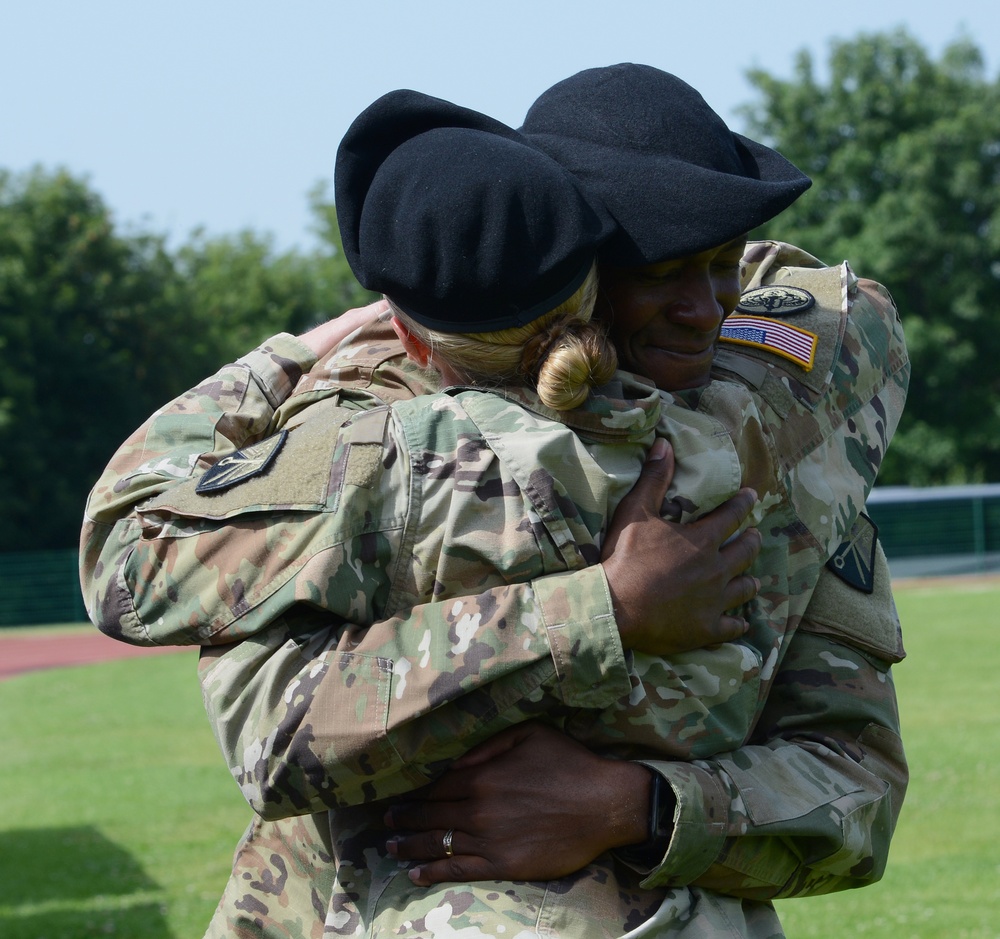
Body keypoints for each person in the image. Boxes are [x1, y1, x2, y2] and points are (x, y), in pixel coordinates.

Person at [80, 74, 909, 939]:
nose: (705, 308)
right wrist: (601, 623)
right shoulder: (800, 429)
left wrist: (637, 807)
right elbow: (840, 309)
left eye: (723, 259)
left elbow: (855, 787)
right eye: (661, 272)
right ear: (576, 275)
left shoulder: (373, 450)